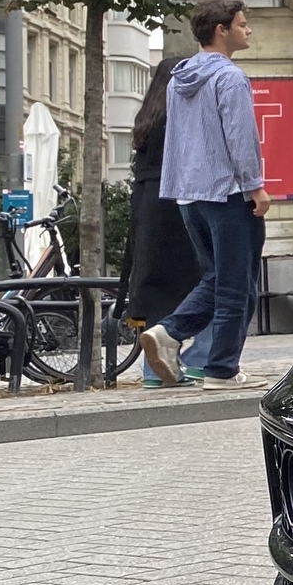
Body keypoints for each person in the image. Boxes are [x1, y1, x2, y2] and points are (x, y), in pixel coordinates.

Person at [137, 0, 269, 389]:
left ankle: (171, 336)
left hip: (189, 194)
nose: (249, 31)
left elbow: (178, 139)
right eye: (242, 25)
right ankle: (220, 368)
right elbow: (241, 136)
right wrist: (255, 186)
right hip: (228, 192)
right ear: (221, 30)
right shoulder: (229, 78)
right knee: (236, 283)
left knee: (218, 278)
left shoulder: (179, 78)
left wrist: (178, 187)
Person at [120, 54, 203, 386]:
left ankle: (152, 372)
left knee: (153, 283)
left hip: (145, 206)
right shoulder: (179, 115)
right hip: (176, 202)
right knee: (193, 280)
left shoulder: (148, 117)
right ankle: (186, 360)